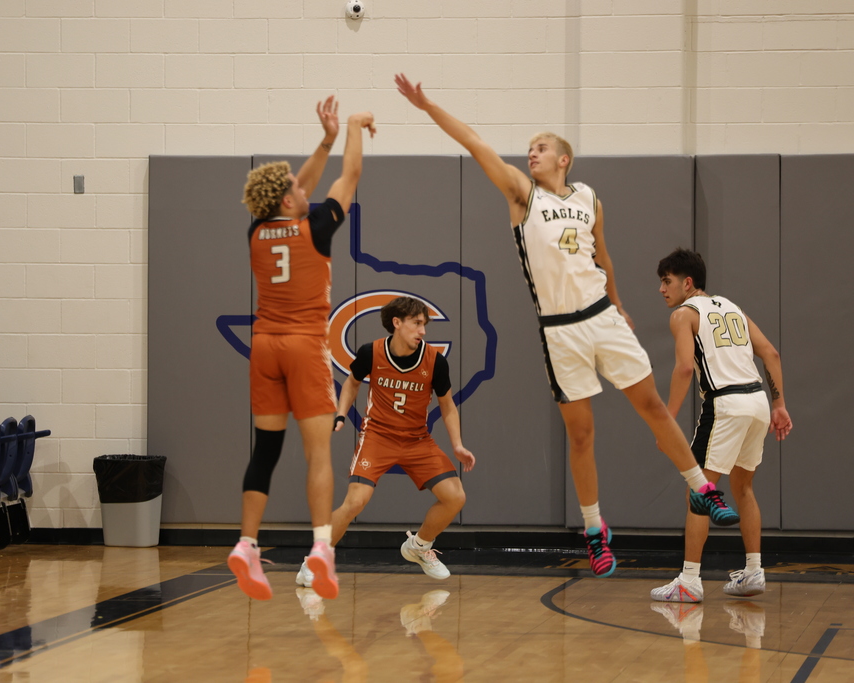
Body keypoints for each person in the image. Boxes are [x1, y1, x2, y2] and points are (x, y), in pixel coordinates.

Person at [394, 74, 739, 578]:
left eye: (541, 147)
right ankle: (596, 531)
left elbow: (604, 256)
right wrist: (428, 106)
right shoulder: (521, 195)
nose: (530, 153)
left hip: (601, 316)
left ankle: (701, 488)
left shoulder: (588, 199)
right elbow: (475, 143)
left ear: (564, 159)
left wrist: (618, 303)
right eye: (529, 148)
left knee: (653, 407)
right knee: (582, 435)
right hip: (560, 331)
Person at [228, 97, 377, 602]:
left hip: (264, 347)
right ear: (289, 201)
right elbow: (349, 176)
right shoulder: (316, 227)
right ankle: (321, 548)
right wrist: (353, 129)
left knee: (265, 451)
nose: (302, 188)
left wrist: (325, 139)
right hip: (303, 346)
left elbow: (301, 187)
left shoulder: (256, 230)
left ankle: (247, 543)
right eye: (295, 188)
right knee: (319, 453)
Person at [295, 296, 475, 586]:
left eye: (424, 325)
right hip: (378, 436)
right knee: (355, 502)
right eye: (417, 323)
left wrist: (457, 444)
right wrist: (341, 413)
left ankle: (418, 547)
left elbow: (447, 405)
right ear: (397, 323)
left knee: (456, 497)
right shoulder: (371, 353)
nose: (423, 331)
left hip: (417, 439)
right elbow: (352, 383)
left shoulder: (435, 361)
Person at [650, 248, 792, 603]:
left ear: (687, 283)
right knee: (743, 487)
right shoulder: (733, 308)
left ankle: (689, 580)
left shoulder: (684, 315)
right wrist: (779, 405)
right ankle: (754, 570)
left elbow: (684, 369)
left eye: (666, 282)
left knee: (699, 489)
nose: (661, 290)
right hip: (757, 401)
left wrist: (665, 419)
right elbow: (771, 353)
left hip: (725, 404)